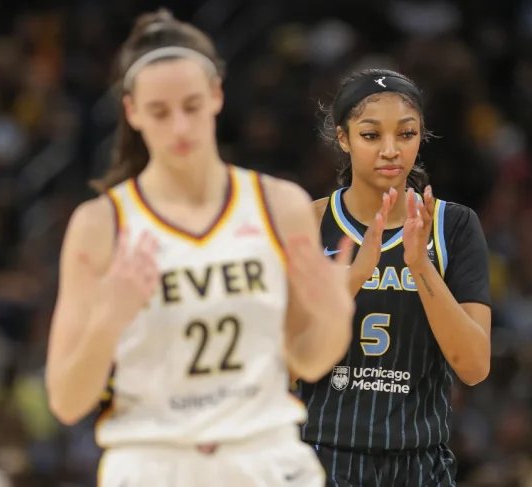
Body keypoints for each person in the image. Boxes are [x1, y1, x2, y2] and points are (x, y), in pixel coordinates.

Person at [45, 9, 355, 487]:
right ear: (131, 111)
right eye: (159, 112)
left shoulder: (279, 205)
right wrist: (107, 319)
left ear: (216, 95)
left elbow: (308, 361)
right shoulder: (100, 225)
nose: (180, 128)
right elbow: (66, 401)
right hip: (151, 460)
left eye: (191, 106)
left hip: (263, 453)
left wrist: (336, 314)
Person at [294, 69, 492, 486]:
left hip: (420, 461)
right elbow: (282, 366)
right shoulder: (305, 223)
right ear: (343, 138)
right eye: (370, 136)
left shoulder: (452, 226)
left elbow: (474, 366)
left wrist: (421, 267)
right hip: (321, 455)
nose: (390, 150)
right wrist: (352, 278)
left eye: (406, 134)